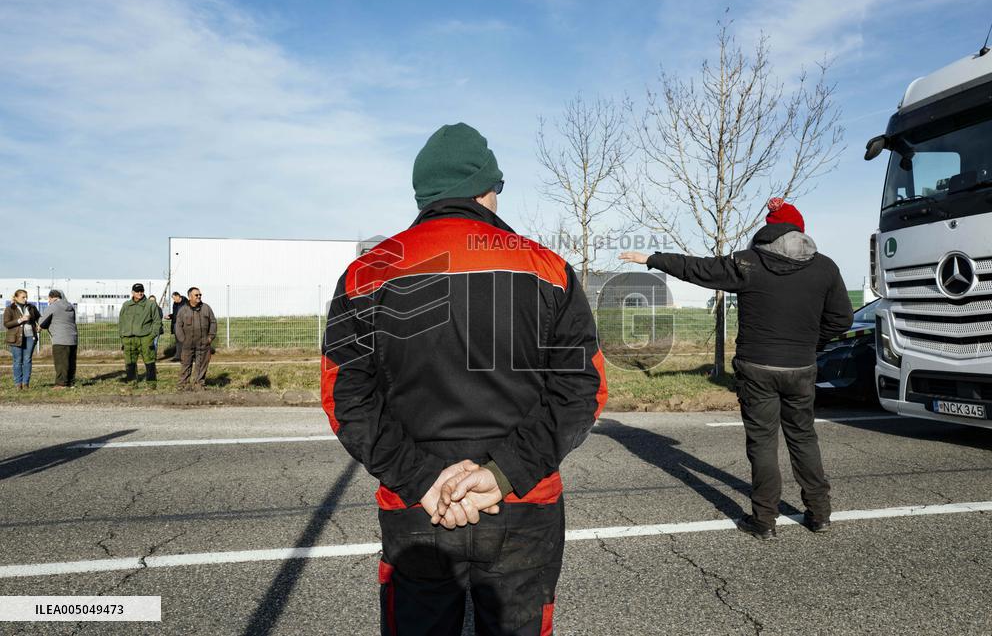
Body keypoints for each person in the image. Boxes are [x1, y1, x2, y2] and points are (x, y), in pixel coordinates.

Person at [322, 122, 607, 635]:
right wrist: (500, 474)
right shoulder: (548, 269)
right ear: (487, 190)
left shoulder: (367, 274)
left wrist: (421, 478)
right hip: (522, 499)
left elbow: (346, 399)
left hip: (416, 504)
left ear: (424, 194)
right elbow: (582, 391)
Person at [621, 198, 853, 539]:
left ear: (768, 230)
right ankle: (819, 514)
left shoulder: (747, 262)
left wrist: (652, 259)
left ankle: (764, 521)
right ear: (799, 231)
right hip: (801, 367)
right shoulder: (825, 267)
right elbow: (842, 319)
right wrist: (811, 343)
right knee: (803, 437)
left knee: (762, 443)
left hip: (756, 367)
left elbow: (698, 268)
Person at [118, 283, 160, 384]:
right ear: (132, 292)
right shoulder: (126, 305)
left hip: (145, 337)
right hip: (129, 338)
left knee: (149, 360)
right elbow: (121, 321)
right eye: (137, 291)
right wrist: (122, 336)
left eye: (142, 291)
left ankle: (151, 383)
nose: (140, 293)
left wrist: (151, 336)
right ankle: (132, 381)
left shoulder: (150, 304)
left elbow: (157, 321)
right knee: (130, 361)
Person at [174, 287, 216, 389]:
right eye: (196, 295)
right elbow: (178, 326)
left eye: (200, 295)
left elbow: (213, 322)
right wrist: (182, 340)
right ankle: (183, 385)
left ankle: (199, 384)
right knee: (186, 364)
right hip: (187, 343)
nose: (199, 296)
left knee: (201, 364)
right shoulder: (183, 310)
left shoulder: (206, 308)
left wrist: (210, 337)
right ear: (190, 297)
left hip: (203, 342)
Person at [38, 290, 78, 388]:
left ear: (52, 297)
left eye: (49, 299)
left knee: (61, 362)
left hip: (60, 338)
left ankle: (61, 384)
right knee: (71, 362)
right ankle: (70, 383)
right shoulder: (70, 306)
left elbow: (42, 322)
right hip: (73, 337)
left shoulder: (53, 307)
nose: (49, 301)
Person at [4, 289, 41, 389]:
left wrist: (40, 325)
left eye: (26, 297)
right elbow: (6, 324)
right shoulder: (9, 309)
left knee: (27, 360)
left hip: (30, 337)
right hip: (15, 338)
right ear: (16, 298)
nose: (25, 299)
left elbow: (39, 318)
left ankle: (26, 383)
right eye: (23, 297)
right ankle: (18, 384)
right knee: (18, 360)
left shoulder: (31, 307)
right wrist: (20, 320)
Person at [167, 291, 187, 361]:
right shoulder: (175, 304)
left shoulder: (186, 303)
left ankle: (187, 356)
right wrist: (170, 316)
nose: (174, 300)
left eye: (174, 298)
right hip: (176, 324)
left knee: (185, 340)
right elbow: (175, 314)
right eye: (173, 299)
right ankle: (178, 356)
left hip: (185, 324)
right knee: (178, 341)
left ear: (178, 296)